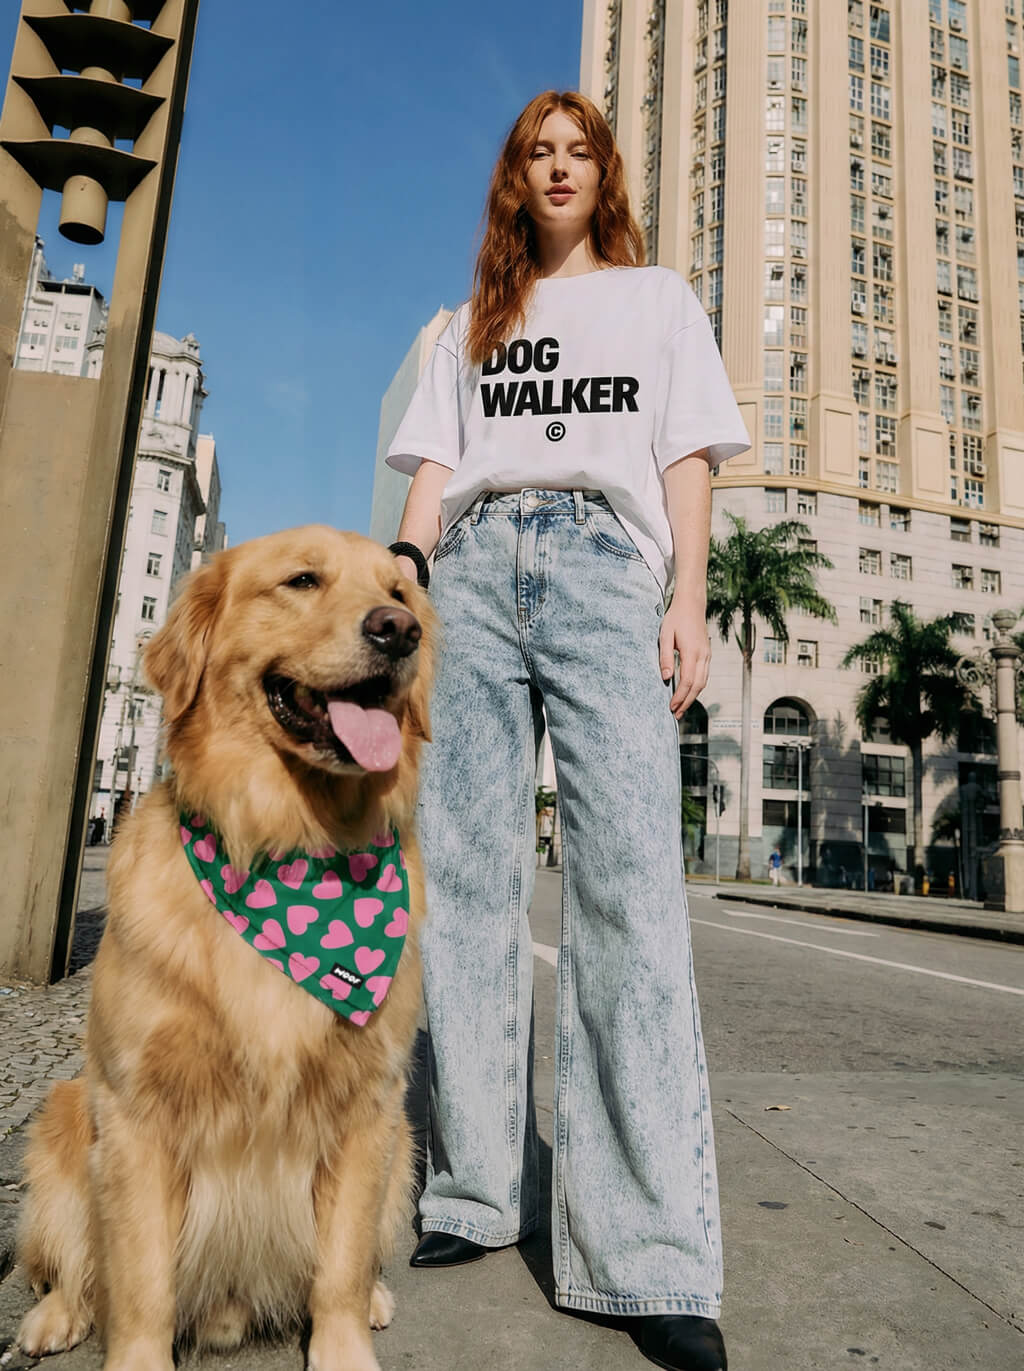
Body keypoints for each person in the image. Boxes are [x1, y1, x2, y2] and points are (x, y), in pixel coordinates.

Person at [386, 91, 749, 1371]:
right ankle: (477, 1193)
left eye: (575, 152)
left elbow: (687, 457)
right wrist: (407, 579)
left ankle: (647, 1257)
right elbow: (432, 467)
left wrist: (688, 600)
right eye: (534, 154)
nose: (554, 169)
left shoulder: (655, 302)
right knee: (471, 890)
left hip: (604, 571)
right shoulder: (470, 321)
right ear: (512, 180)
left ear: (604, 173)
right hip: (473, 576)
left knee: (631, 901)